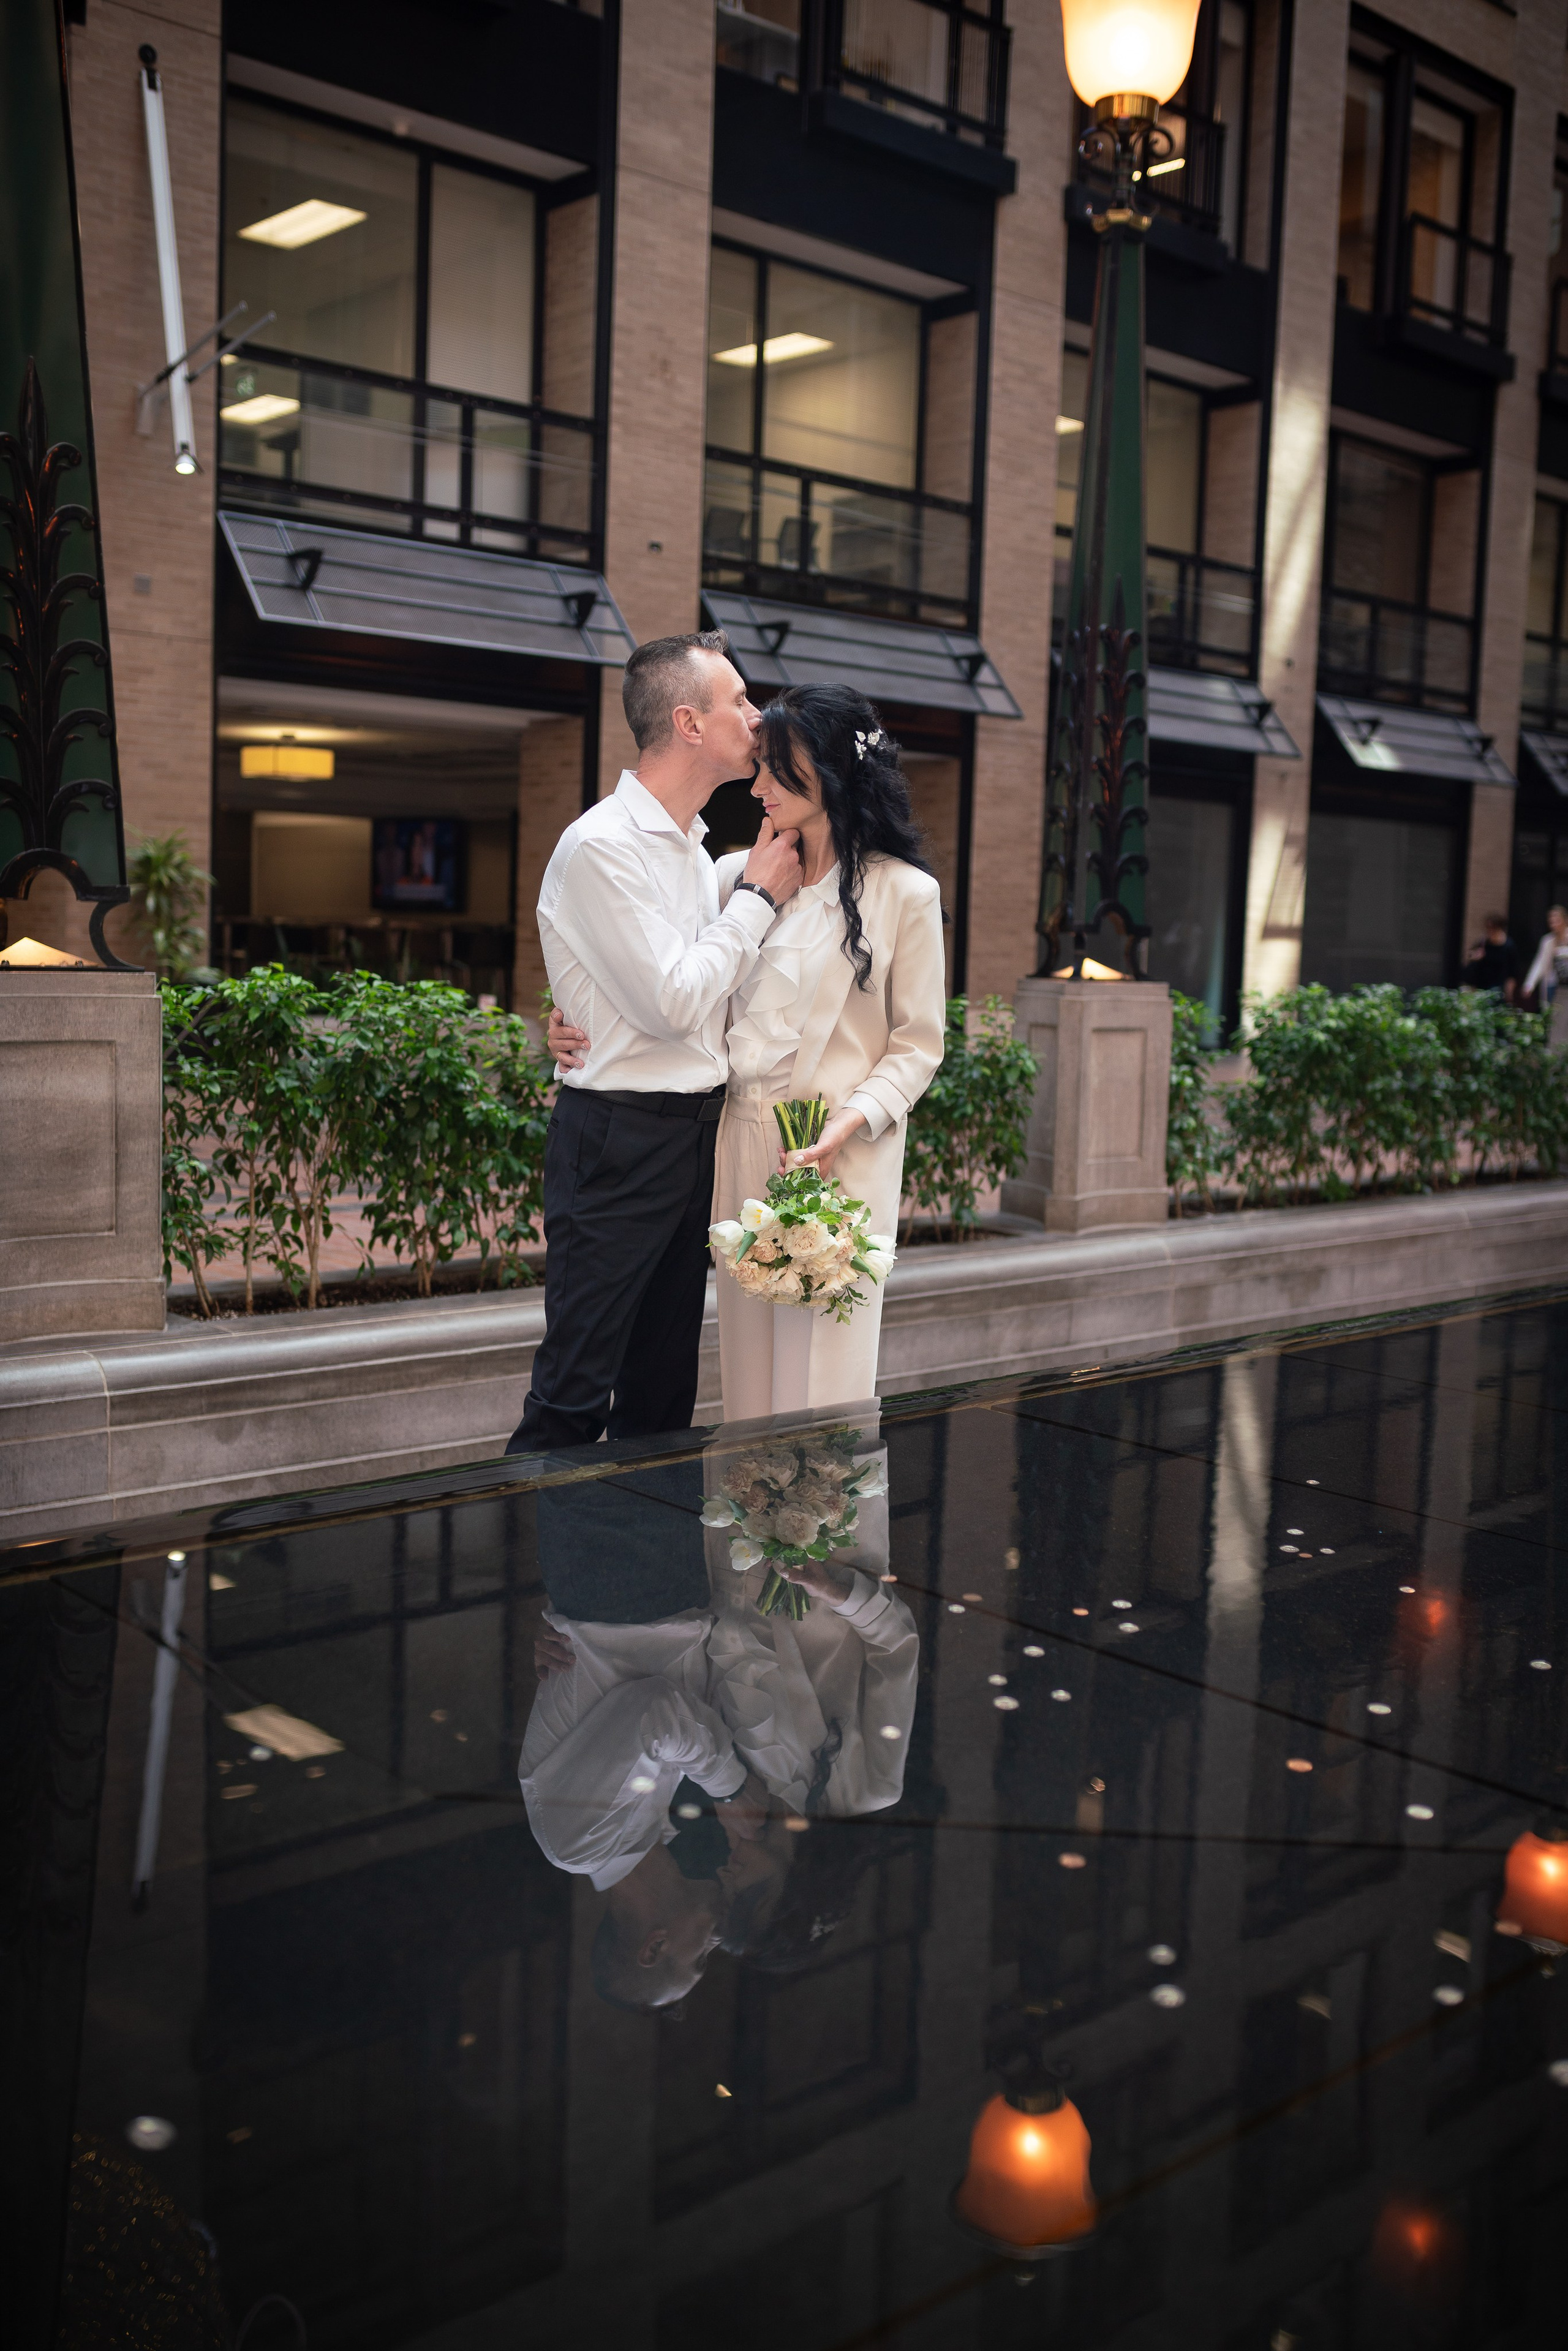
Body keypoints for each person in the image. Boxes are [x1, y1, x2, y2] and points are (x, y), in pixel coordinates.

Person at [551, 685, 946, 1421]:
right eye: (759, 766)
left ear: (829, 774)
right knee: (749, 1371)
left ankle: (833, 1532)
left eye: (777, 770)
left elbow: (918, 1044)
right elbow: (669, 977)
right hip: (735, 1141)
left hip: (838, 1152)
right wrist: (573, 1021)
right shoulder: (733, 875)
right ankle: (760, 1531)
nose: (757, 786)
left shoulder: (906, 894)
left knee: (828, 1367)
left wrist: (850, 1123)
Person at [506, 630, 802, 1454]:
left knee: (663, 1390)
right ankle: (543, 1580)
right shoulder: (604, 845)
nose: (757, 713)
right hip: (619, 1136)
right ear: (689, 723)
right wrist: (757, 900)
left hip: (691, 1133)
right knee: (573, 1392)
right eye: (739, 700)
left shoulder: (694, 849)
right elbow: (674, 1000)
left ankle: (640, 1583)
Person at [1460, 913, 1519, 1003]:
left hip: (1498, 986)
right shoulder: (1483, 942)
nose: (1490, 931)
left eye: (1493, 929)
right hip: (1481, 985)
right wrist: (1476, 957)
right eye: (1488, 928)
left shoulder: (1509, 946)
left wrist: (1509, 992)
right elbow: (1471, 956)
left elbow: (1513, 972)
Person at [1523, 904, 1568, 1021]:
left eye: (1557, 920)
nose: (1554, 924)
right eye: (1551, 921)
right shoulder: (1548, 941)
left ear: (1565, 920)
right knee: (1552, 1016)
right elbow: (1539, 963)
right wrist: (1530, 984)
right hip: (1553, 984)